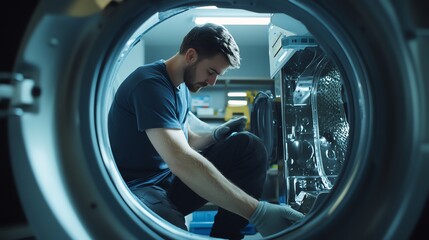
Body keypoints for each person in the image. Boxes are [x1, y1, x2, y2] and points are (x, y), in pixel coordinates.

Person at [108, 23, 304, 239]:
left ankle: (227, 235)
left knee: (249, 146)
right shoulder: (149, 84)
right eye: (211, 72)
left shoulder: (182, 88)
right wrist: (259, 212)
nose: (212, 82)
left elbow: (187, 140)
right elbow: (179, 158)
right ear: (191, 55)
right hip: (138, 189)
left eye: (218, 75)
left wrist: (215, 135)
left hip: (168, 181)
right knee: (169, 231)